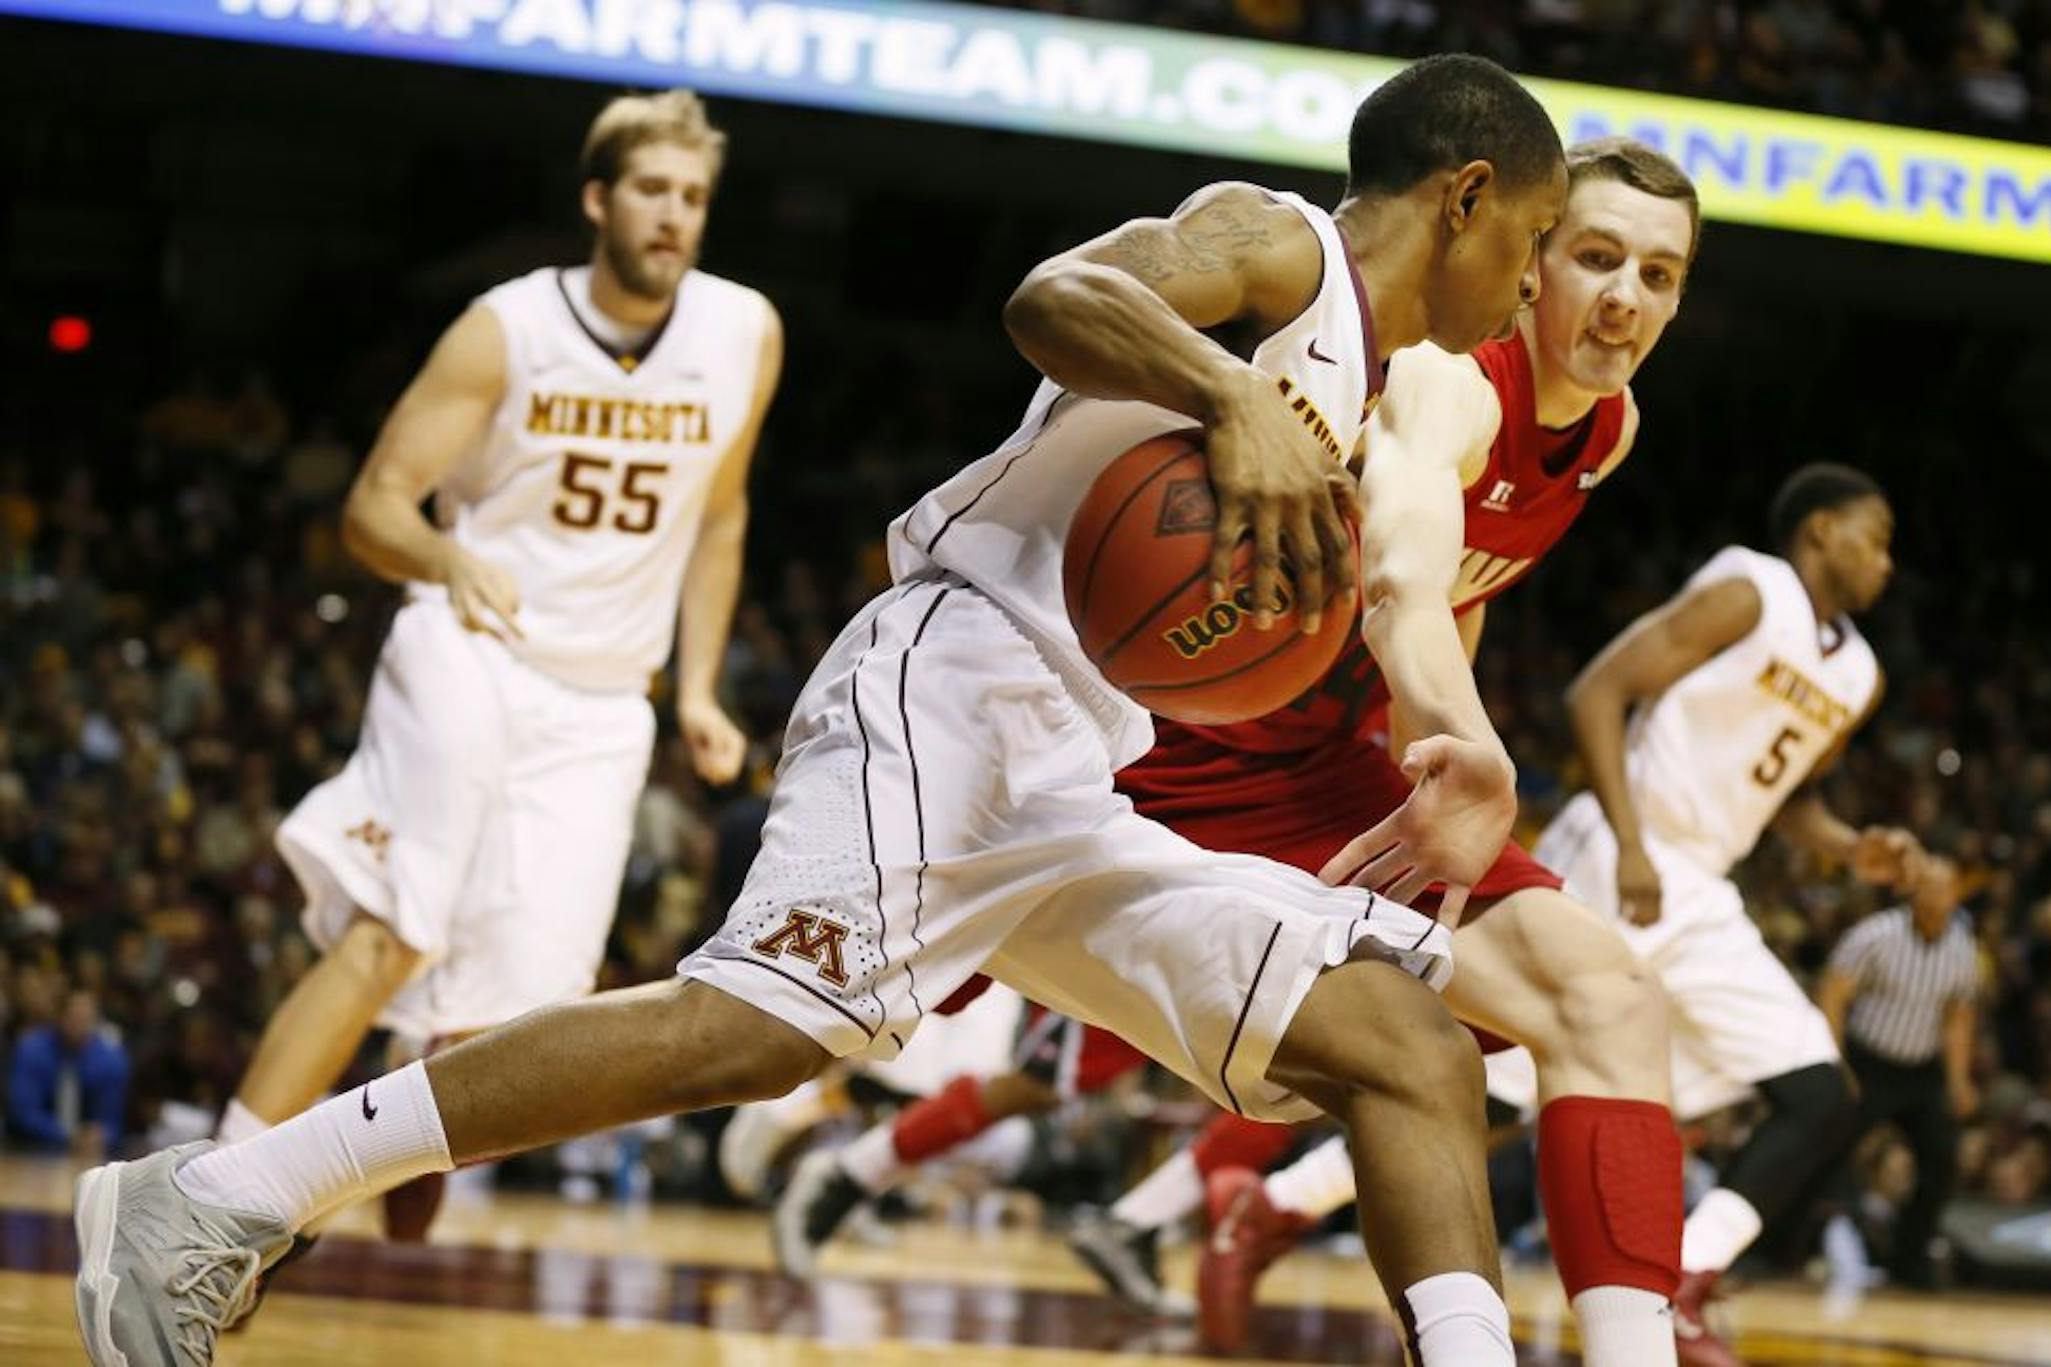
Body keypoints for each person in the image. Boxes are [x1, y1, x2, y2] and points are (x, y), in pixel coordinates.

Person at [73, 53, 1568, 1367]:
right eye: (1542, 237)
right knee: (751, 1029)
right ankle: (213, 1197)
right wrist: (1222, 393)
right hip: (957, 673)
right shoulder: (1279, 247)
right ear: (1467, 195)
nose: (1540, 276)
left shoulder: (1374, 389)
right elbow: (1057, 296)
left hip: (1069, 766)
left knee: (1407, 1044)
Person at [779, 138, 1700, 1367]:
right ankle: (831, 1154)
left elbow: (1462, 605)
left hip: (1317, 775)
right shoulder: (1449, 382)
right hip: (1154, 750)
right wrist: (1458, 724)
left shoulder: (1610, 430)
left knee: (1604, 997)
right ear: (1533, 263)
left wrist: (1427, 734)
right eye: (1595, 257)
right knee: (829, 1013)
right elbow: (1406, 580)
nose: (1625, 298)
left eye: (1660, 272)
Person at [206, 89, 781, 1246]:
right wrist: (444, 556)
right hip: (470, 644)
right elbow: (373, 507)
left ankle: (405, 1092)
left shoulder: (745, 332)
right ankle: (214, 1199)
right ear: (597, 199)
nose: (675, 217)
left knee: (517, 1018)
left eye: (694, 197)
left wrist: (702, 685)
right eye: (653, 191)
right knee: (395, 928)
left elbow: (720, 518)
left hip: (607, 693)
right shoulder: (504, 328)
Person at [1485, 462, 1927, 1366]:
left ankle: (1681, 1282)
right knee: (1498, 1082)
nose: (1887, 561)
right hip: (1622, 849)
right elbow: (1597, 693)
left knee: (1817, 1088)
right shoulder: (1749, 589)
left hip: (1700, 883)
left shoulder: (1862, 676)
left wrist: (1851, 848)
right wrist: (1632, 840)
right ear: (1819, 531)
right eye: (1874, 536)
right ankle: (1260, 1200)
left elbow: (1790, 796)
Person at [1819, 854, 1984, 1287]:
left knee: (1940, 1160)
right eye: (1927, 886)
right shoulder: (1876, 935)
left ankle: (1909, 1261)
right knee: (1824, 1151)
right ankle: (1792, 1248)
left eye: (1943, 888)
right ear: (1913, 890)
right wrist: (1835, 1061)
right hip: (1867, 1060)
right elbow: (1834, 993)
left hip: (1921, 1070)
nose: (1935, 895)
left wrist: (1959, 1080)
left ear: (1955, 895)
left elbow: (1958, 1017)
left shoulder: (1963, 948)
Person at [6, 988, 128, 1159]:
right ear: (59, 1017)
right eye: (74, 1017)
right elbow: (22, 1112)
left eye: (86, 1019)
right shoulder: (31, 1049)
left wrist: (100, 1134)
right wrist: (67, 1135)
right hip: (29, 1147)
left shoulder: (111, 1059)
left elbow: (113, 1120)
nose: (79, 1025)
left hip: (89, 1152)